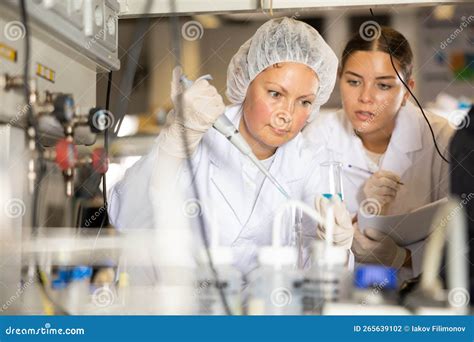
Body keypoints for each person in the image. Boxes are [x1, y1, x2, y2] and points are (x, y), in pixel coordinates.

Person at [108, 18, 354, 277]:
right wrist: (176, 141)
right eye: (275, 94)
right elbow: (125, 216)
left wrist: (338, 248)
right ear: (245, 83)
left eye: (304, 101)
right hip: (168, 308)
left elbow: (323, 281)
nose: (288, 114)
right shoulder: (197, 133)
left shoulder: (310, 163)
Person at [303, 27, 453, 279]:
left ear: (407, 91)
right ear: (338, 79)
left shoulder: (439, 137)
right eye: (353, 82)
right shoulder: (317, 137)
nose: (365, 97)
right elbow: (301, 237)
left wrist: (401, 258)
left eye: (383, 85)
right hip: (339, 294)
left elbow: (461, 242)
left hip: (419, 296)